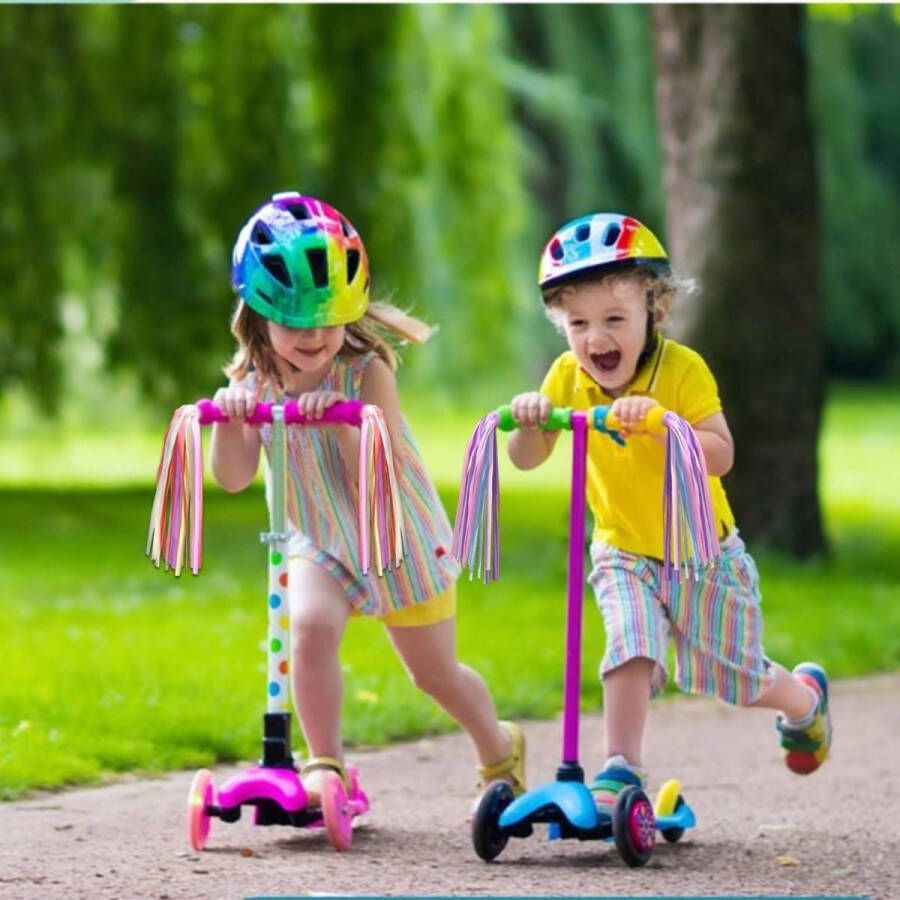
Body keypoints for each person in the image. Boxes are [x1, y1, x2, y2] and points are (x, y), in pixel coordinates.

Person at [506, 212, 832, 816]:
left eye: (613, 319)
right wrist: (531, 419)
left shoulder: (682, 371)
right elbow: (527, 458)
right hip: (622, 548)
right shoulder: (565, 377)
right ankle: (619, 769)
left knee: (733, 677)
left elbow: (722, 454)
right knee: (630, 646)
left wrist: (664, 426)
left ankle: (804, 701)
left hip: (701, 552)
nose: (595, 338)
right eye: (578, 323)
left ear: (653, 310)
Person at [209, 192, 525, 809]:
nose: (315, 337)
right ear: (259, 313)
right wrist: (231, 417)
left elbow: (374, 479)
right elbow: (233, 477)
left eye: (328, 320)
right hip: (319, 538)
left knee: (433, 675)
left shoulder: (366, 371)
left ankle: (498, 745)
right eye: (296, 323)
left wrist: (342, 427)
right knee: (307, 629)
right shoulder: (251, 378)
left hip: (395, 539)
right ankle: (326, 764)